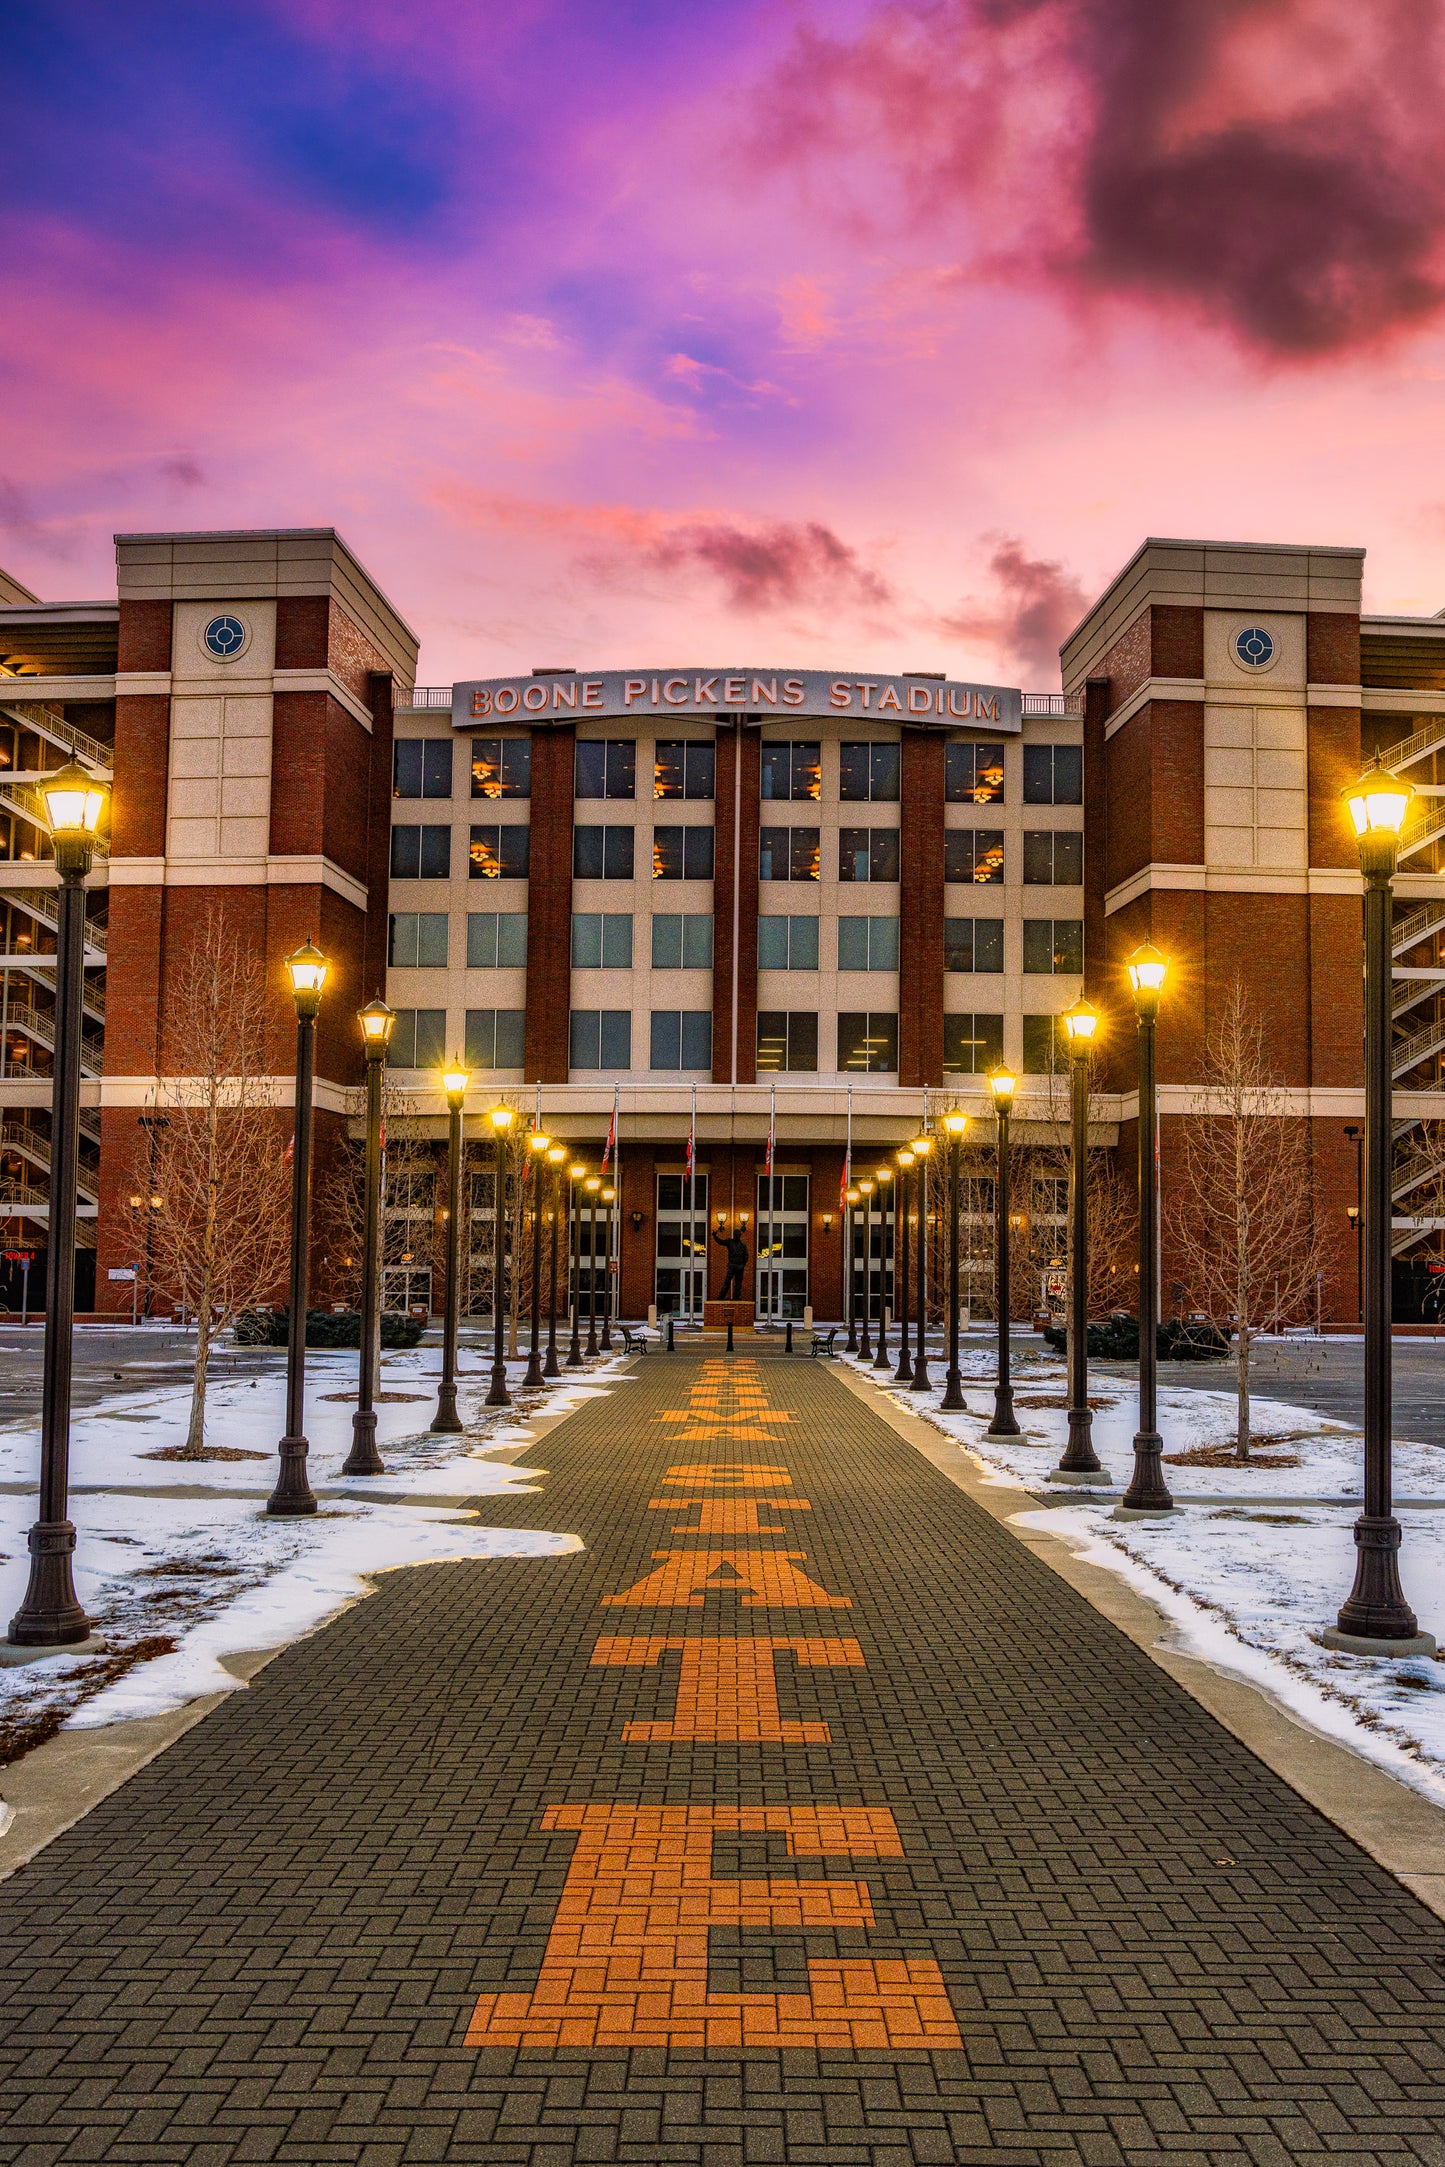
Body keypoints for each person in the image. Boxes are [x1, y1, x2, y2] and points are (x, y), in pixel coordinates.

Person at [712, 1223, 749, 1301]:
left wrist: (743, 1264)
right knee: (727, 1282)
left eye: (738, 1234)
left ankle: (737, 1297)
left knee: (738, 1284)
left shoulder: (743, 1245)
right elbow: (720, 1242)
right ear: (734, 1235)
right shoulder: (730, 1242)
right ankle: (721, 1297)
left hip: (739, 1266)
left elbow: (746, 1256)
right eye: (736, 1234)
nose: (737, 1236)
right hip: (731, 1265)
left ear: (740, 1235)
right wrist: (715, 1236)